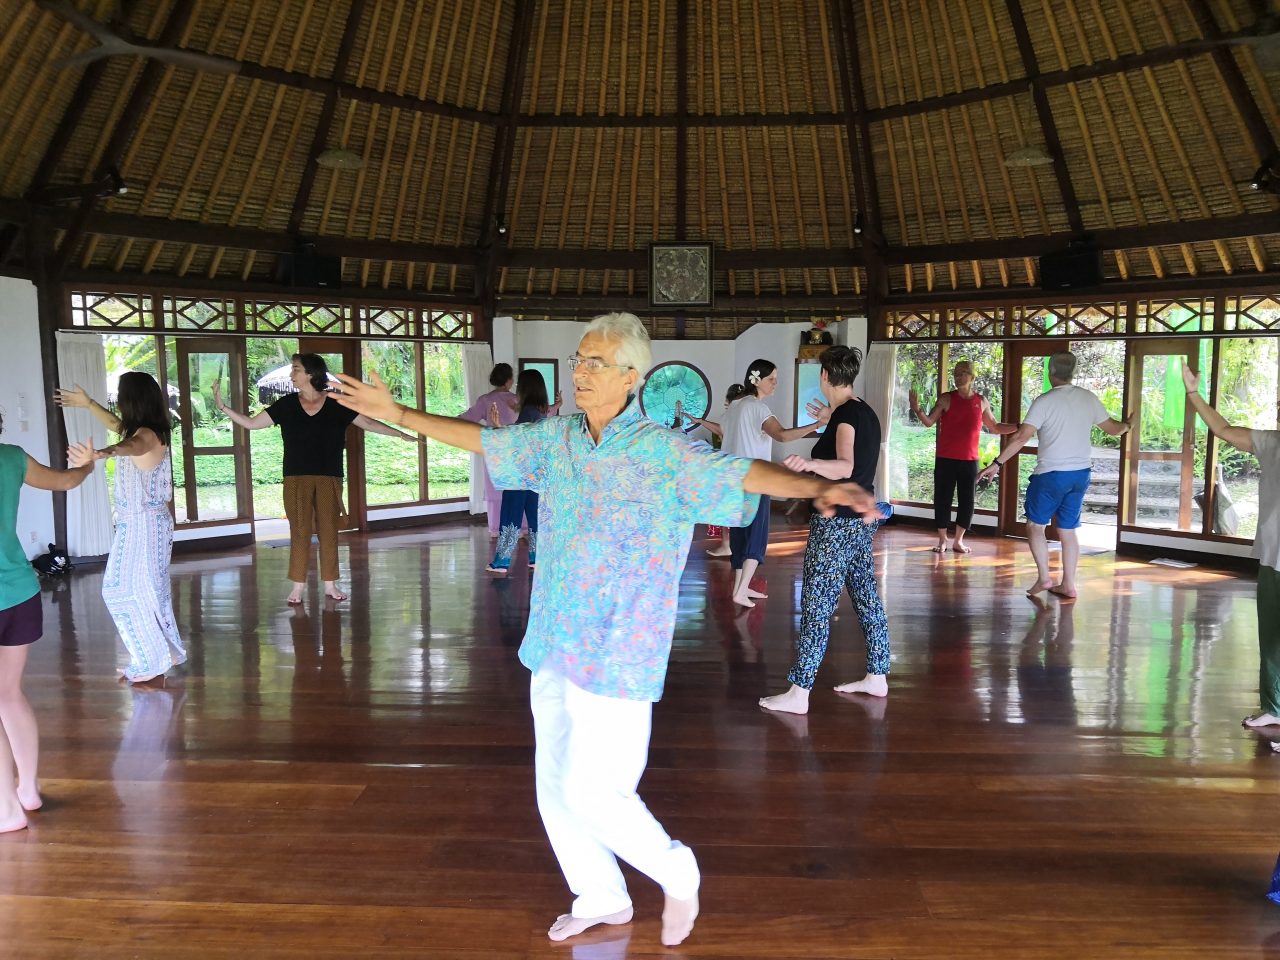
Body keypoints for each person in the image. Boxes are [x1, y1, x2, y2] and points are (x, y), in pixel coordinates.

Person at [332, 311, 879, 948]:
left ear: (631, 377)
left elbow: (741, 474)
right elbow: (481, 440)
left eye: (596, 362)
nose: (580, 371)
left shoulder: (664, 451)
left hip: (621, 647)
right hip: (554, 639)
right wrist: (396, 410)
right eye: (578, 359)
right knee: (553, 782)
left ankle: (676, 868)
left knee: (594, 792)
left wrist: (814, 489)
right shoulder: (555, 438)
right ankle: (602, 894)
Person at [213, 353, 417, 604]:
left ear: (311, 373)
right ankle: (298, 587)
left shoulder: (336, 403)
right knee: (299, 531)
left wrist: (400, 435)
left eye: (296, 369)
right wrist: (222, 406)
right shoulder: (286, 404)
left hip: (329, 477)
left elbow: (367, 423)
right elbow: (252, 424)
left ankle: (330, 585)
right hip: (296, 477)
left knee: (328, 531)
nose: (291, 375)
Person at [759, 346, 893, 716]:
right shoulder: (861, 411)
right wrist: (827, 416)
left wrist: (810, 462)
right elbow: (848, 433)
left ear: (823, 376)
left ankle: (799, 691)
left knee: (816, 603)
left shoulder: (846, 416)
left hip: (837, 523)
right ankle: (877, 675)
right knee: (866, 597)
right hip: (859, 524)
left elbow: (846, 465)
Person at [0, 410, 94, 831]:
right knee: (8, 694)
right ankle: (28, 790)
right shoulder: (12, 458)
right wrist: (87, 464)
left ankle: (6, 811)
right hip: (19, 592)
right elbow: (68, 481)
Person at [59, 375, 187, 684]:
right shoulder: (147, 430)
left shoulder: (147, 436)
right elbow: (120, 429)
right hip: (142, 523)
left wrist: (102, 453)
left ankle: (152, 658)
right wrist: (88, 404)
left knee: (120, 590)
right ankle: (163, 653)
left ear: (132, 399)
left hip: (144, 524)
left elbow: (130, 444)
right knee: (146, 592)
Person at [978, 351, 1132, 600]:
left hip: (1051, 475)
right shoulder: (1087, 398)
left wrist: (997, 463)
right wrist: (1128, 425)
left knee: (1035, 526)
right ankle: (1069, 584)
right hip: (1079, 475)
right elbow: (1114, 429)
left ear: (1051, 372)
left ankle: (1045, 577)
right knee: (1068, 530)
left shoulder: (1045, 401)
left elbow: (1021, 436)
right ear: (1073, 372)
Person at [1179, 361, 1280, 736]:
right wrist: (1192, 391)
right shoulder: (1270, 442)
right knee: (1271, 639)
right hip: (1274, 555)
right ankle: (1274, 707)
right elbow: (1221, 429)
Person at [717, 360, 823, 607]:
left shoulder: (733, 407)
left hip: (733, 479)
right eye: (772, 379)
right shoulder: (757, 408)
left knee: (740, 535)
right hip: (756, 479)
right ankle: (740, 590)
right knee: (756, 537)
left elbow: (724, 432)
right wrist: (818, 425)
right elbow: (783, 435)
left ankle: (741, 588)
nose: (776, 383)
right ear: (757, 380)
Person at [910, 360, 1015, 554]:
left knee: (967, 501)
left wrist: (1020, 427)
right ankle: (943, 540)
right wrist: (916, 408)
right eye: (956, 373)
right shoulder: (946, 398)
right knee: (943, 499)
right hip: (945, 459)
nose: (958, 377)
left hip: (969, 461)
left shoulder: (981, 401)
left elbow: (995, 427)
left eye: (963, 373)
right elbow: (928, 422)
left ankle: (958, 540)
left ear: (973, 377)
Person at [487, 369, 553, 574]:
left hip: (520, 474)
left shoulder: (529, 412)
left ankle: (501, 562)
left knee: (510, 514)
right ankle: (536, 558)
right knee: (534, 516)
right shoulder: (541, 412)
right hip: (537, 474)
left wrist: (498, 428)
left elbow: (519, 440)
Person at [682, 384, 745, 557]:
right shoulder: (742, 415)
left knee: (726, 508)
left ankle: (727, 545)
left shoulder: (732, 415)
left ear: (727, 401)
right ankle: (734, 546)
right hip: (744, 467)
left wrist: (700, 421)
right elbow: (721, 430)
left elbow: (721, 431)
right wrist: (700, 421)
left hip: (732, 467)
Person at [460, 364, 519, 537]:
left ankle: (495, 528)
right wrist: (556, 405)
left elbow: (468, 417)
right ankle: (520, 528)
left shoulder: (485, 400)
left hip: (494, 450)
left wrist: (444, 421)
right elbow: (538, 414)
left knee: (495, 490)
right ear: (509, 380)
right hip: (515, 450)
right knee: (516, 489)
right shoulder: (517, 400)